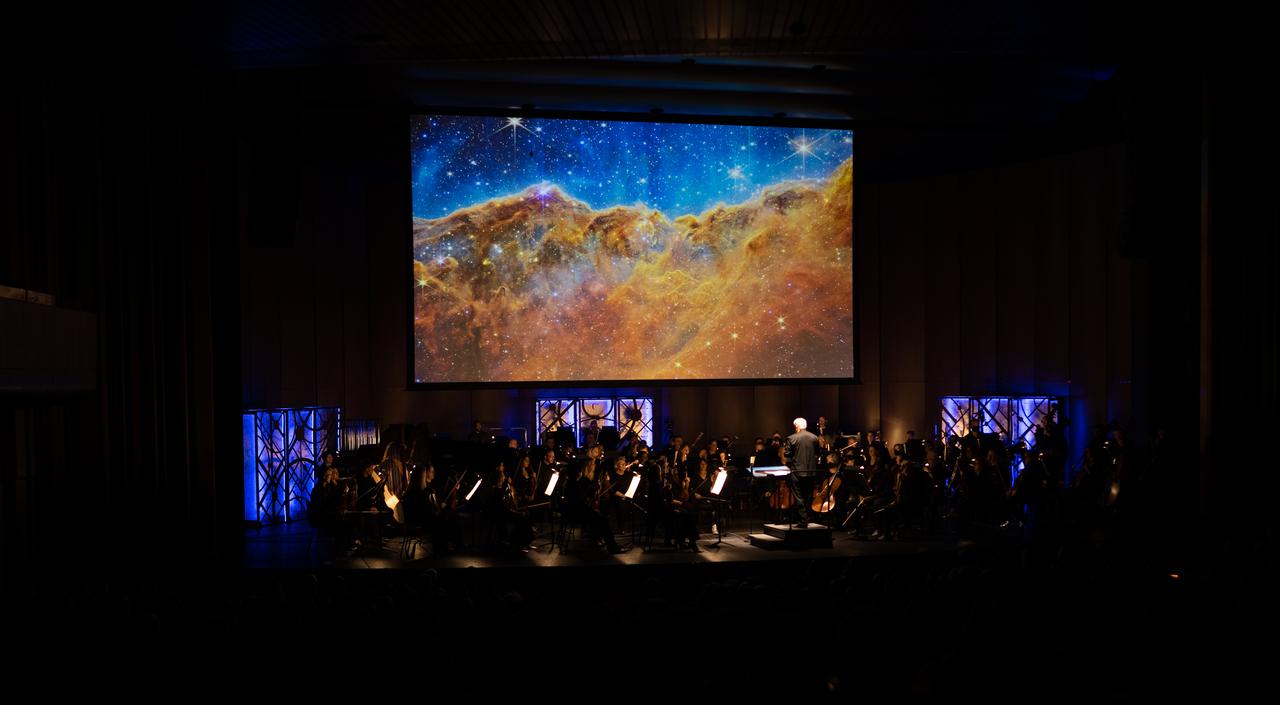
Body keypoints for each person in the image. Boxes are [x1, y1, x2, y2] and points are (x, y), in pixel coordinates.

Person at [784, 417, 821, 527]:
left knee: (799, 497)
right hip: (811, 472)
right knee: (807, 497)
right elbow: (818, 452)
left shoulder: (791, 438)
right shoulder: (814, 437)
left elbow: (787, 454)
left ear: (797, 426)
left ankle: (803, 521)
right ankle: (806, 519)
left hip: (797, 472)